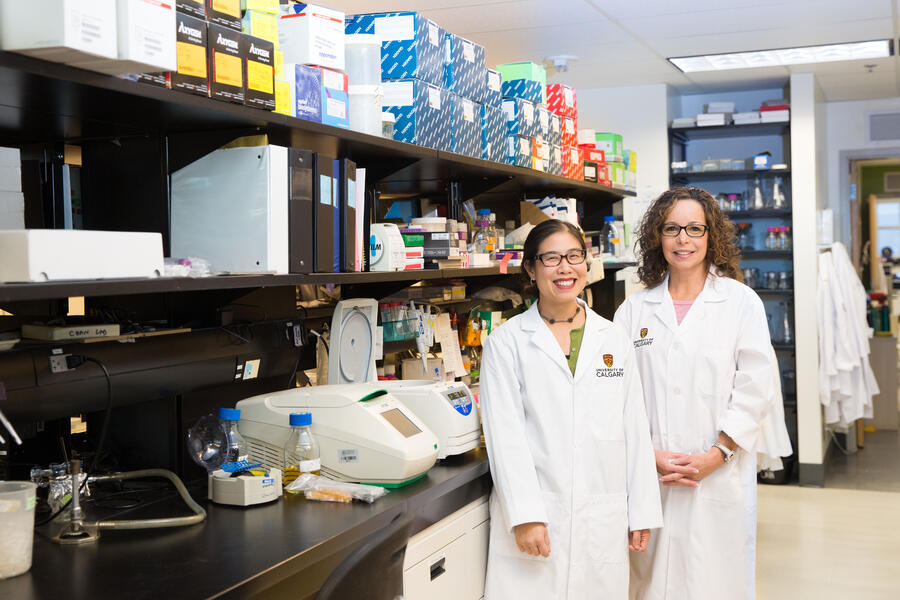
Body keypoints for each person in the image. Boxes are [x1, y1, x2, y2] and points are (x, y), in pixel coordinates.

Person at [480, 219, 663, 599]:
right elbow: (505, 438)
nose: (565, 268)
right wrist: (526, 515)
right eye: (551, 258)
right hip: (538, 515)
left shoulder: (613, 338)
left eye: (574, 256)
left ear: (587, 263)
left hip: (602, 513)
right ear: (531, 269)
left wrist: (642, 508)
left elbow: (633, 428)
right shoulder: (506, 343)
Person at [613, 187, 773, 600]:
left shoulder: (741, 302)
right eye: (672, 229)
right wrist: (649, 457)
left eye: (694, 228)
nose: (683, 239)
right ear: (657, 237)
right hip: (653, 475)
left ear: (710, 236)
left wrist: (716, 455)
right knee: (650, 583)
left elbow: (756, 388)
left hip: (719, 472)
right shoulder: (634, 310)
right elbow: (617, 397)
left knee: (715, 582)